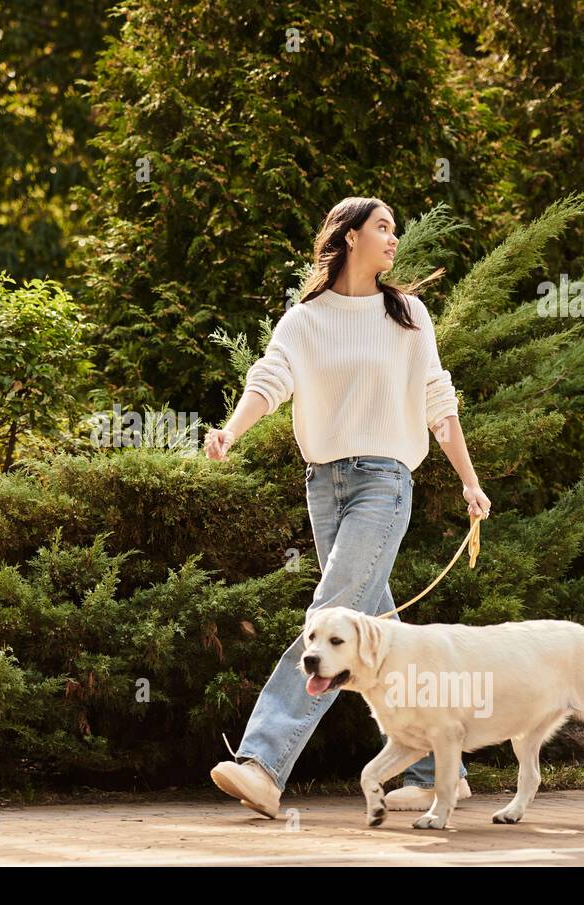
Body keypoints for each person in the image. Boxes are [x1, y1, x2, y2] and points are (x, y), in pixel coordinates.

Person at [205, 196, 491, 817]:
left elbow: (438, 400)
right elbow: (269, 379)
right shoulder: (304, 320)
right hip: (324, 483)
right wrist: (232, 430)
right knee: (378, 629)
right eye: (383, 228)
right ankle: (439, 767)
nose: (394, 239)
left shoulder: (409, 316)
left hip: (384, 482)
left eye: (395, 230)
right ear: (351, 236)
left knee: (330, 618)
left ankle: (262, 763)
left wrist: (469, 479)